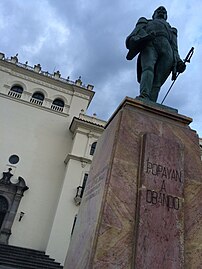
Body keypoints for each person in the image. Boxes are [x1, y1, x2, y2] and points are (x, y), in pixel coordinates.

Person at [126, 6, 186, 102]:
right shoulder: (146, 21)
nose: (161, 11)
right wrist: (139, 38)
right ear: (153, 15)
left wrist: (178, 61)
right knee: (148, 68)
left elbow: (175, 48)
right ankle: (144, 96)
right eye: (159, 10)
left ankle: (152, 103)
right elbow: (134, 35)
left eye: (164, 11)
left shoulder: (172, 30)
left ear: (166, 16)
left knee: (158, 80)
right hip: (150, 43)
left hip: (167, 49)